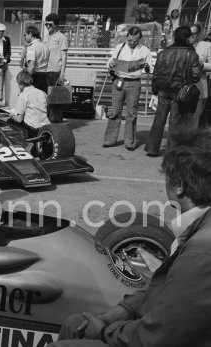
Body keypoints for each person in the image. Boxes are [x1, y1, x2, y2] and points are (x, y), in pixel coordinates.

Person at [48, 128, 211, 347]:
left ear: (179, 186)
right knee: (74, 324)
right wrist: (120, 312)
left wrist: (106, 330)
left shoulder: (200, 253)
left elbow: (157, 337)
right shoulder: (199, 228)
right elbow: (162, 287)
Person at [144, 26, 201, 157]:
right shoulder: (191, 54)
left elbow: (156, 73)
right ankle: (171, 151)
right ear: (187, 38)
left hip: (163, 90)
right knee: (175, 121)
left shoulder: (163, 52)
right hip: (180, 92)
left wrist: (155, 89)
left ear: (175, 37)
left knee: (159, 119)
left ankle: (152, 149)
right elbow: (196, 76)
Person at [103, 26, 152, 150]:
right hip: (119, 81)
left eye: (135, 41)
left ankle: (130, 142)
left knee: (132, 113)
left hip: (134, 83)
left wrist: (146, 66)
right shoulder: (120, 47)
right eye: (129, 40)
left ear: (140, 39)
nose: (131, 43)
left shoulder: (145, 50)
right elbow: (110, 62)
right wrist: (111, 64)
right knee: (115, 111)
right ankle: (109, 140)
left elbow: (150, 69)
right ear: (127, 37)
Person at [43, 13, 68, 123]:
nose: (47, 26)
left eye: (50, 25)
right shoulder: (46, 37)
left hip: (55, 72)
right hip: (44, 71)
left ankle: (56, 124)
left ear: (56, 26)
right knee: (47, 99)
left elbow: (64, 57)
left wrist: (62, 74)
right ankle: (48, 122)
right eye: (46, 24)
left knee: (55, 100)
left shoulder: (61, 37)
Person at [188, 23, 211, 129]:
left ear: (199, 34)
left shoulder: (207, 46)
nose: (191, 36)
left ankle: (190, 142)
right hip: (182, 87)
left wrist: (201, 65)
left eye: (194, 33)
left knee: (195, 118)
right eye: (189, 33)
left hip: (199, 86)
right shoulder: (182, 45)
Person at [20, 25, 49, 93]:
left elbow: (31, 67)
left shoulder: (32, 47)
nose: (25, 37)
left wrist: (25, 83)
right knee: (42, 100)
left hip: (35, 77)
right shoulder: (45, 46)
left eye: (25, 35)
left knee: (32, 101)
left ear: (30, 34)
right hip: (45, 77)